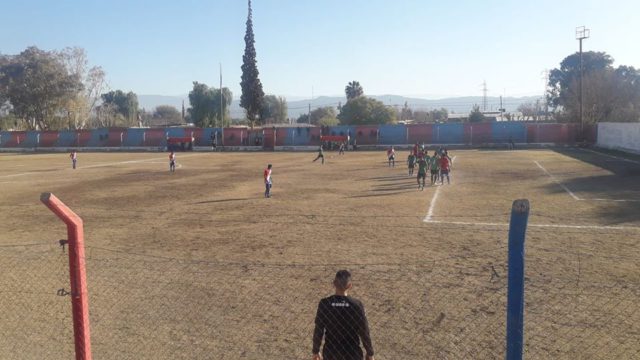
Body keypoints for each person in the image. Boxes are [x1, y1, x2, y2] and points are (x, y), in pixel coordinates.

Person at [312, 270, 375, 360]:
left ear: (334, 283)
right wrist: (370, 353)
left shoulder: (325, 303)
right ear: (350, 286)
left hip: (331, 351)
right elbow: (364, 331)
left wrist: (316, 350)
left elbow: (319, 329)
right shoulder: (357, 305)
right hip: (352, 352)